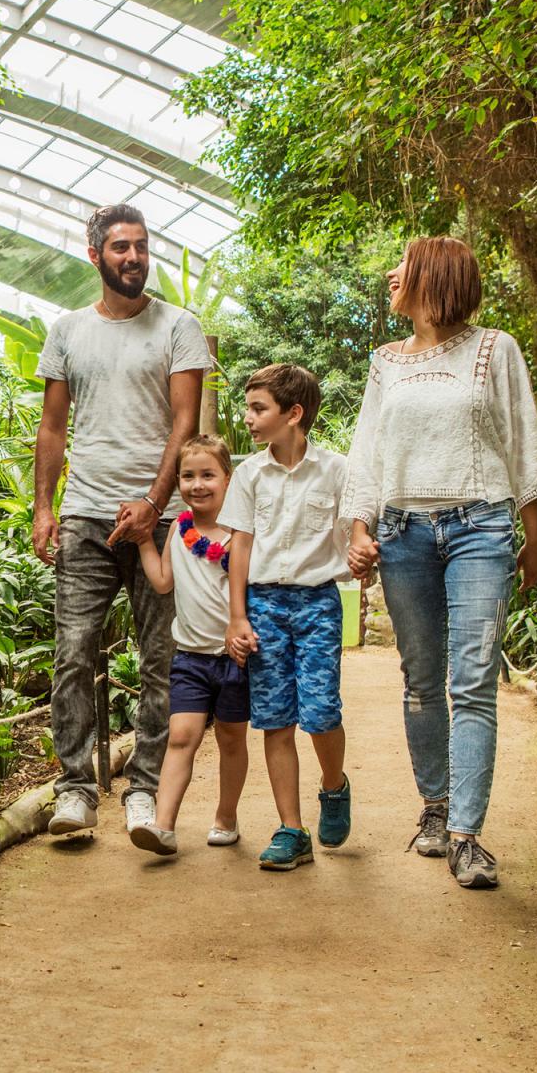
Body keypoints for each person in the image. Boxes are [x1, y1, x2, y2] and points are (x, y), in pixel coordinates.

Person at [344, 236, 537, 890]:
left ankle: (466, 836)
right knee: (421, 680)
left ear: (433, 278)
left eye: (400, 267)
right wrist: (359, 528)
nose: (389, 274)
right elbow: (367, 452)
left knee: (473, 679)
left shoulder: (496, 349)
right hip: (403, 532)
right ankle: (433, 810)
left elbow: (522, 438)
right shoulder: (385, 363)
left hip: (481, 527)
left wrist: (534, 530)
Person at [33, 203, 213, 842]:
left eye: (140, 246)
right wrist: (44, 508)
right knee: (73, 653)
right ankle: (76, 790)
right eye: (120, 248)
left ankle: (143, 791)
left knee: (161, 659)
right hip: (85, 514)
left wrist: (153, 503)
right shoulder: (67, 330)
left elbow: (184, 425)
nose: (133, 257)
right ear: (96, 256)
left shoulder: (178, 327)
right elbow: (53, 428)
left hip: (161, 524)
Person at [220, 364, 352, 871]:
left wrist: (363, 549)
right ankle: (291, 830)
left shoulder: (337, 471)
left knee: (321, 712)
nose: (248, 418)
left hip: (318, 601)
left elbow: (356, 530)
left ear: (293, 414)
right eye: (249, 407)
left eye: (259, 408)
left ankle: (334, 787)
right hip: (264, 605)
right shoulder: (249, 475)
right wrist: (238, 617)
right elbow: (241, 548)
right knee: (275, 719)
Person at [129, 436, 250, 855]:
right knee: (181, 736)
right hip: (190, 658)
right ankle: (162, 826)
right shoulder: (179, 530)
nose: (197, 484)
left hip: (234, 659)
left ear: (227, 479)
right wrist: (145, 539)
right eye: (188, 476)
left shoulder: (241, 534)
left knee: (233, 739)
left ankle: (226, 816)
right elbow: (162, 582)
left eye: (208, 475)